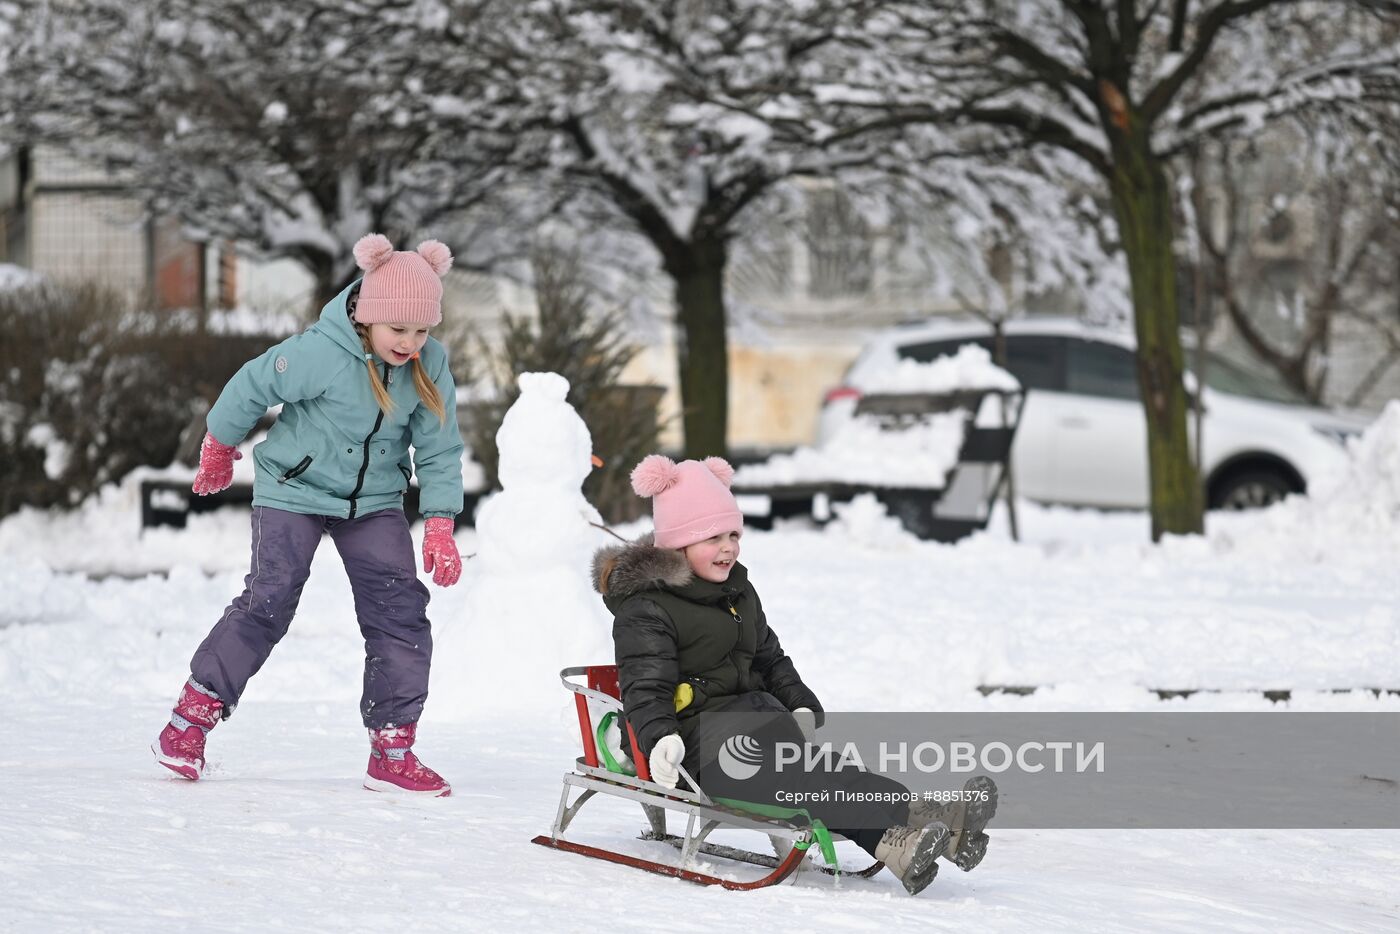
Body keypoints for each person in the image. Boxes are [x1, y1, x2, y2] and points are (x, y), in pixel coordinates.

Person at [592, 455, 996, 894]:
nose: (728, 547)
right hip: (703, 750)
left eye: (733, 534)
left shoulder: (736, 593)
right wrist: (660, 739)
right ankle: (895, 847)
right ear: (677, 545)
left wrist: (798, 700)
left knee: (839, 773)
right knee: (807, 785)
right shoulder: (647, 609)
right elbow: (644, 685)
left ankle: (939, 822)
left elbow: (769, 657)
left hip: (761, 729)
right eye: (712, 537)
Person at [152, 233, 465, 797]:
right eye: (399, 330)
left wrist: (440, 519)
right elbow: (252, 384)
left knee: (400, 609)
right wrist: (220, 445)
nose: (411, 343)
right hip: (293, 490)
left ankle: (392, 748)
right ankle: (189, 721)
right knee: (271, 597)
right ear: (368, 318)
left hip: (372, 502)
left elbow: (440, 447)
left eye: (422, 331)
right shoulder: (321, 352)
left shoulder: (429, 365)